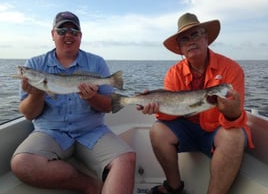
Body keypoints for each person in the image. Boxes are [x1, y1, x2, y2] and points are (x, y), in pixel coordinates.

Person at [11, 11, 135, 194]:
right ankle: (89, 185)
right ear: (52, 34)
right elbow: (29, 114)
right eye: (61, 30)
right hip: (50, 132)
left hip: (91, 131)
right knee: (21, 163)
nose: (68, 34)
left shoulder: (97, 62)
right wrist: (37, 94)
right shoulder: (35, 64)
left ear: (80, 36)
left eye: (74, 31)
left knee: (126, 159)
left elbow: (109, 106)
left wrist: (92, 97)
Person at [137, 13, 254, 194]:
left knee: (235, 136)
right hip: (187, 131)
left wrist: (232, 112)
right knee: (157, 130)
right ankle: (173, 187)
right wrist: (154, 108)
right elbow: (172, 113)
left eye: (195, 35)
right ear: (181, 49)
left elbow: (236, 120)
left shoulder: (231, 68)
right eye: (184, 39)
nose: (190, 41)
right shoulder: (173, 73)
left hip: (217, 130)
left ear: (206, 38)